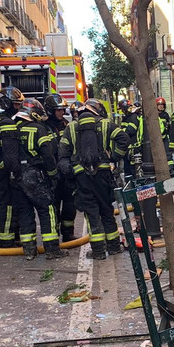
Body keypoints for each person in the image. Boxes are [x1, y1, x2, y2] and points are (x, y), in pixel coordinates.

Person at [59, 99, 129, 260]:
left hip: (82, 178)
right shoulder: (106, 124)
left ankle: (98, 251)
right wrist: (113, 157)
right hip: (103, 175)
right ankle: (113, 246)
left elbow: (63, 154)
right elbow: (124, 139)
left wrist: (71, 171)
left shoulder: (71, 127)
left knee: (91, 213)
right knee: (106, 209)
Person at [3, 99, 65, 260]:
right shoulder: (38, 129)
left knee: (24, 213)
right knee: (47, 210)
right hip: (35, 175)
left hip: (16, 177)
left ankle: (29, 250)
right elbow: (48, 154)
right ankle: (52, 249)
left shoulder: (12, 128)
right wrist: (53, 174)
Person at [0, 87, 25, 247]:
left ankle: (10, 236)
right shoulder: (3, 121)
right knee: (8, 204)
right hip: (4, 170)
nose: (18, 108)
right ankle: (7, 240)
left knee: (6, 203)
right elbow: (8, 149)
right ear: (6, 103)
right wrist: (14, 170)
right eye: (16, 104)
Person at [43, 94, 77, 242]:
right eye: (58, 110)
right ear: (50, 110)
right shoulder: (43, 127)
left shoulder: (66, 125)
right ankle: (54, 234)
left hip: (66, 173)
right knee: (54, 207)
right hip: (51, 174)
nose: (62, 113)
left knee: (70, 205)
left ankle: (68, 233)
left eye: (63, 110)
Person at [120, 102, 143, 178]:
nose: (123, 111)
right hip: (128, 147)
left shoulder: (133, 117)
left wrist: (121, 133)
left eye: (123, 109)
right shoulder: (126, 118)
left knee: (133, 169)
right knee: (128, 169)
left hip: (133, 147)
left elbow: (131, 130)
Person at [156, 97, 173, 171]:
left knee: (168, 155)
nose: (161, 106)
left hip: (165, 138)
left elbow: (169, 127)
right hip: (157, 139)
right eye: (159, 105)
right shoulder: (154, 115)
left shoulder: (165, 115)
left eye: (162, 105)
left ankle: (171, 169)